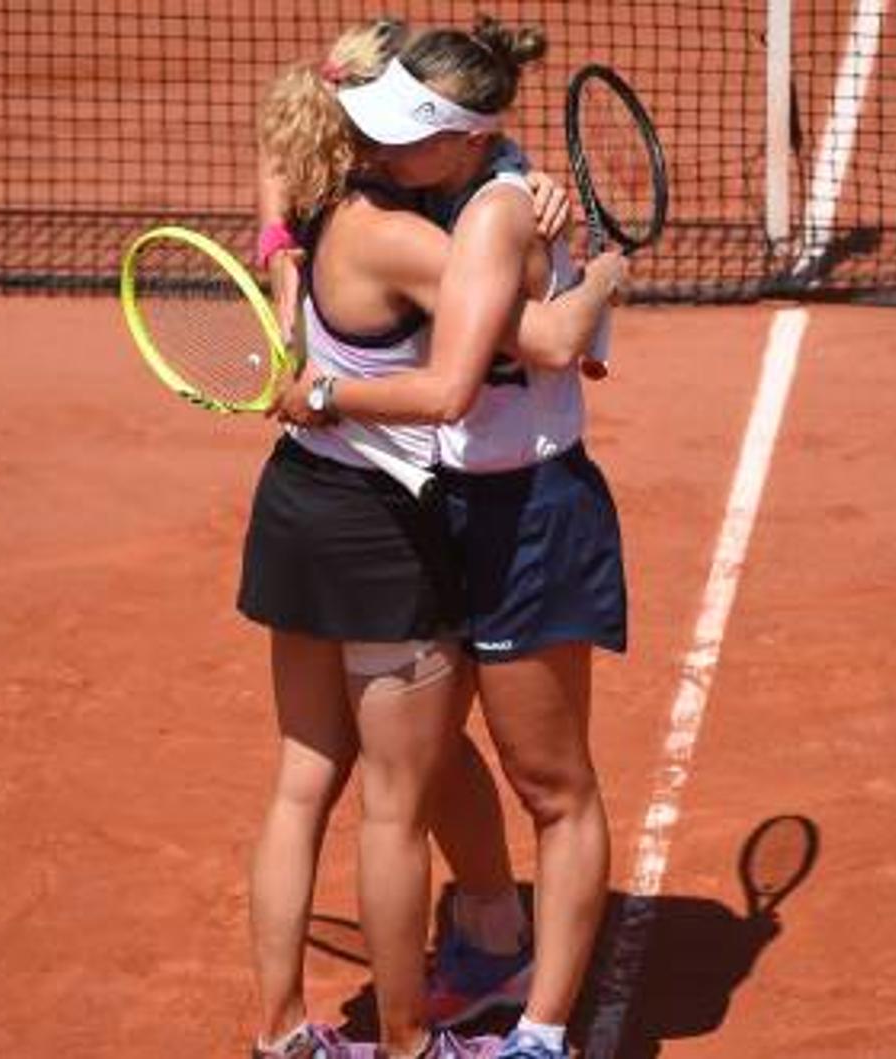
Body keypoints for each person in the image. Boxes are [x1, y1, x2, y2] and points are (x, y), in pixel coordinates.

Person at [242, 20, 624, 1059]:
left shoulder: (428, 209)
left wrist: (580, 258)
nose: (373, 147)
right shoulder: (414, 217)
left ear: (463, 139)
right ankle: (439, 1007)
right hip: (406, 515)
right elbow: (533, 344)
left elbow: (548, 343)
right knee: (402, 783)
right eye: (365, 127)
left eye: (398, 134)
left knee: (517, 776)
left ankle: (512, 1000)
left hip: (449, 514)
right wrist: (597, 268)